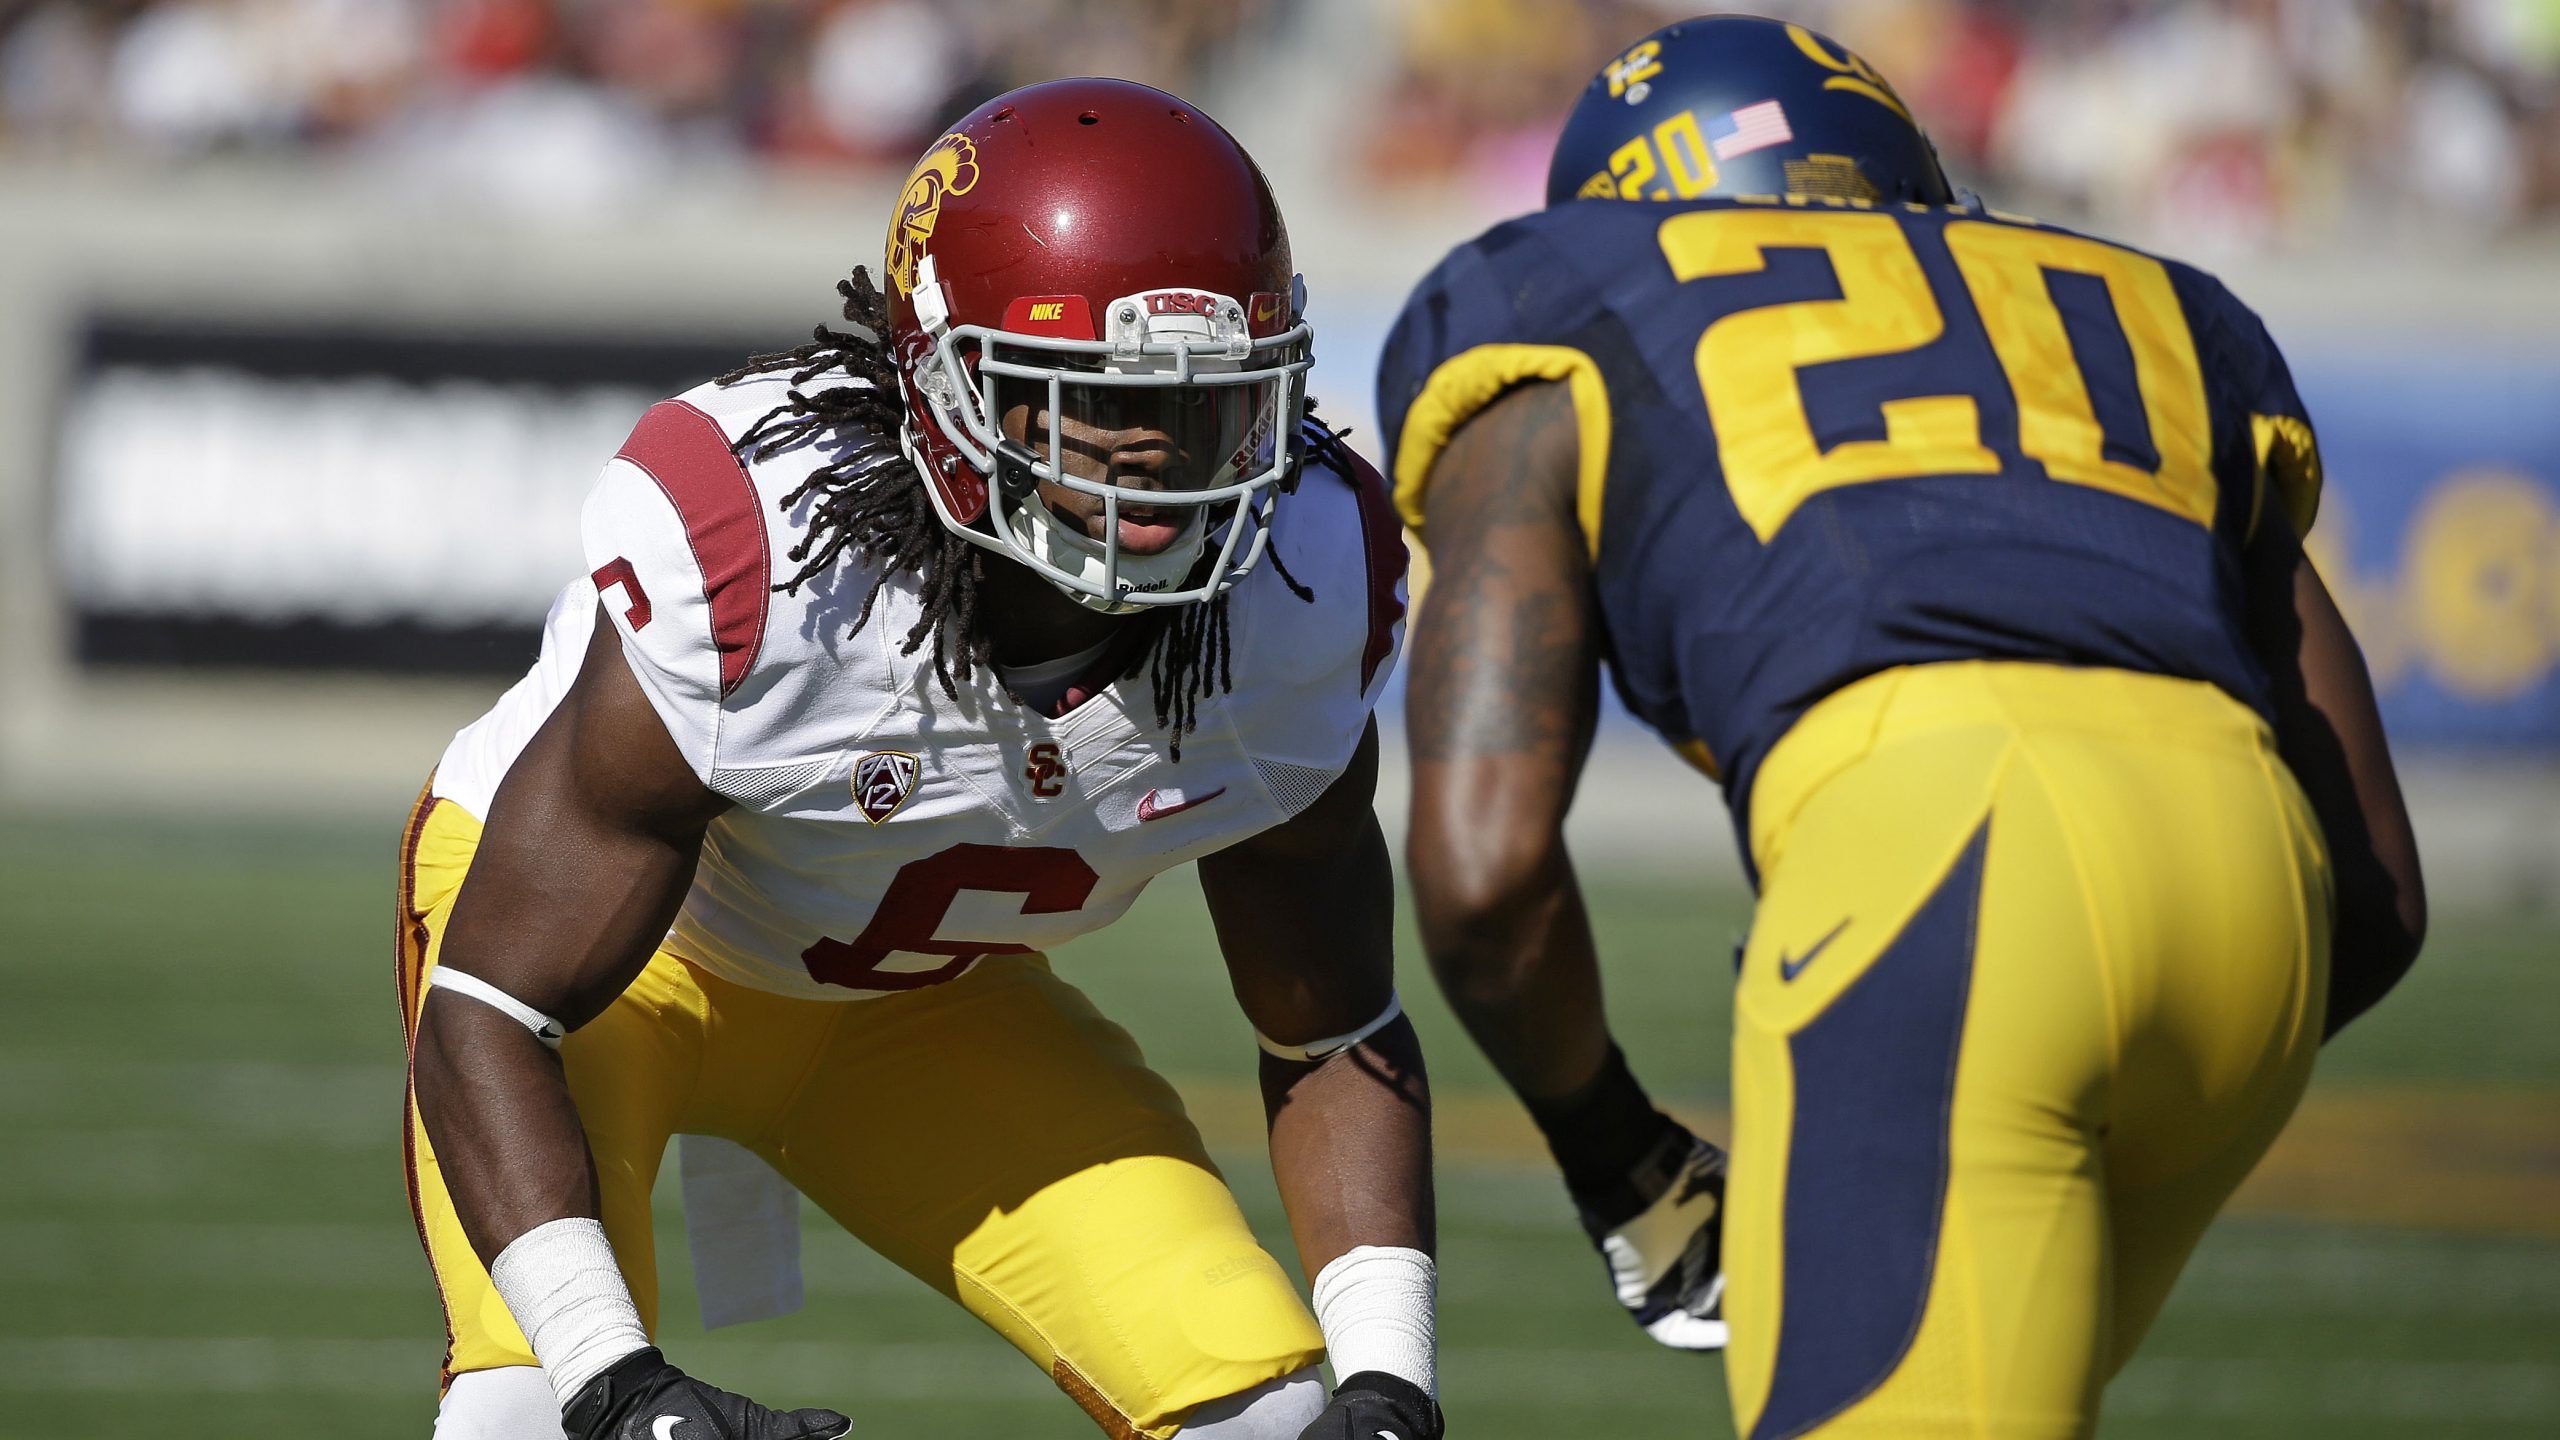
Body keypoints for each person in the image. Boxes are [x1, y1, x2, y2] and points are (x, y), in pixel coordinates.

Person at [1379, 15, 2424, 1437]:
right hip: (2258, 924)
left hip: (1954, 871)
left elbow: (1484, 871)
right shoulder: (2143, 306)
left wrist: (1622, 1158)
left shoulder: (1569, 305)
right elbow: (2380, 886)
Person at [398, 78, 1442, 1440]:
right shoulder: (775, 563)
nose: (1154, 465)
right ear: (946, 394)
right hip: (619, 985)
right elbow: (488, 1010)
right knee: (529, 1421)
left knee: (1276, 1424)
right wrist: (615, 1384)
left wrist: (1394, 1382)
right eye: (1089, 402)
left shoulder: (1299, 590)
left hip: (915, 1010)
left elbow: (1333, 1028)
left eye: (1203, 407)